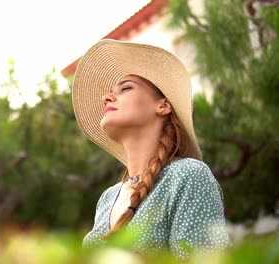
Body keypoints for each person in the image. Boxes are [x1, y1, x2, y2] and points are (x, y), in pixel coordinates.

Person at [71, 39, 231, 259]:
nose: (105, 97)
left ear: (163, 105)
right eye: (109, 92)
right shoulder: (107, 198)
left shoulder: (187, 176)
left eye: (125, 88)